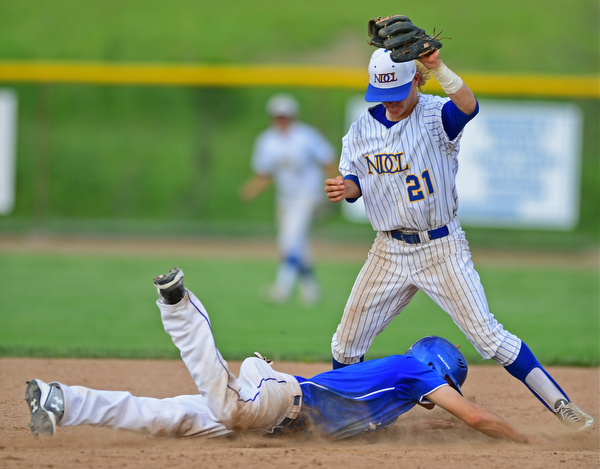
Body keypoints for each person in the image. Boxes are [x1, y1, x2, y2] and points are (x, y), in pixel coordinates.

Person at [323, 42, 595, 432]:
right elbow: (354, 183)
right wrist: (342, 189)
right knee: (345, 344)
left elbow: (469, 107)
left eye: (397, 93)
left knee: (489, 338)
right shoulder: (361, 130)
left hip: (441, 247)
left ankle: (564, 407)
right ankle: (346, 417)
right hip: (389, 250)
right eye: (382, 94)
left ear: (416, 79)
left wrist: (439, 66)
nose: (391, 102)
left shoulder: (435, 114)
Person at [26, 267, 543, 444]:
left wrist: (417, 427)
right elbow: (475, 416)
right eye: (448, 388)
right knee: (229, 408)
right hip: (278, 399)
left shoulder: (399, 394)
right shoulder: (414, 371)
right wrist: (524, 441)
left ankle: (60, 401)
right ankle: (180, 305)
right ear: (439, 376)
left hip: (274, 409)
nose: (445, 398)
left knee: (170, 418)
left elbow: (358, 420)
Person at [240, 93, 337, 305]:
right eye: (278, 116)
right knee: (296, 244)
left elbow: (328, 158)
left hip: (307, 195)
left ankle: (282, 289)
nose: (282, 120)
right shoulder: (267, 140)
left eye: (285, 116)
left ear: (293, 116)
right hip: (285, 198)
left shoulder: (305, 136)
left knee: (290, 241)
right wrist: (252, 189)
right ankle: (311, 290)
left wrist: (333, 187)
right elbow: (265, 173)